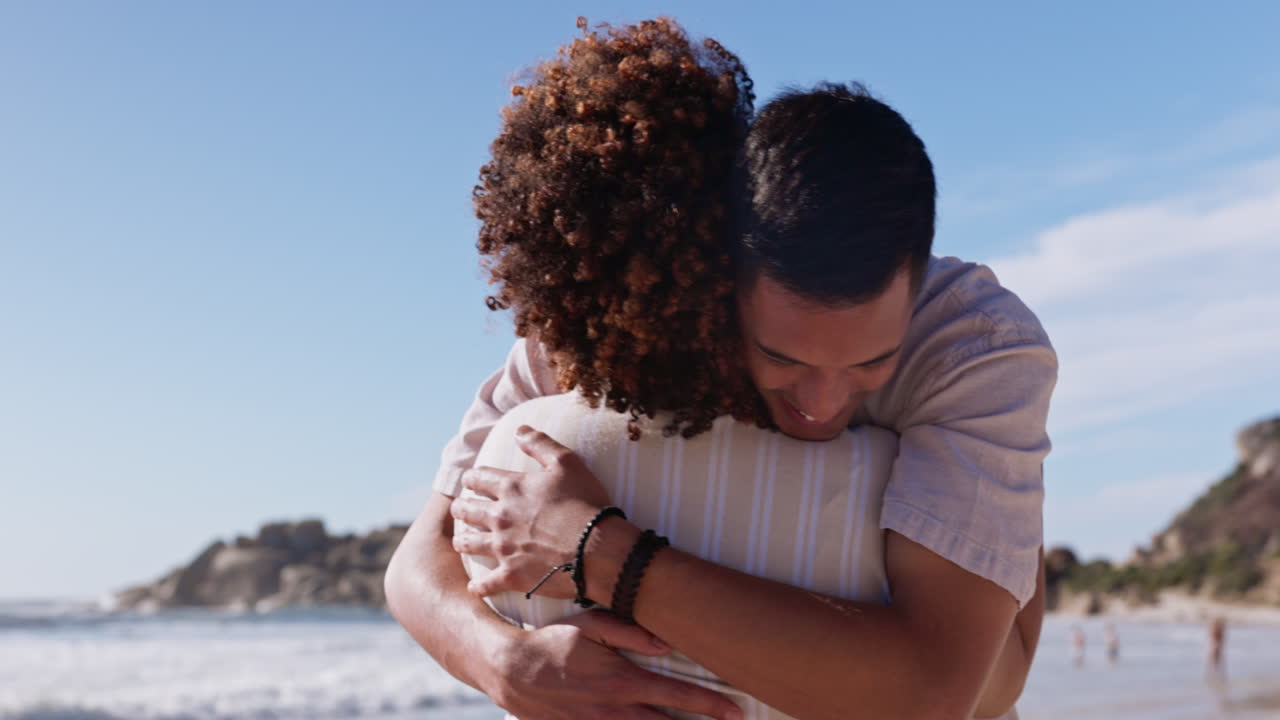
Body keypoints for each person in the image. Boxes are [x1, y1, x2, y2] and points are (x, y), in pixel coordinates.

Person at [386, 16, 1054, 720]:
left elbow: (938, 692)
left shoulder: (972, 343)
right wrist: (502, 662)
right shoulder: (617, 326)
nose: (823, 401)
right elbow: (415, 563)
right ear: (722, 279)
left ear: (917, 286)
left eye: (871, 361)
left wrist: (601, 553)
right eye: (781, 356)